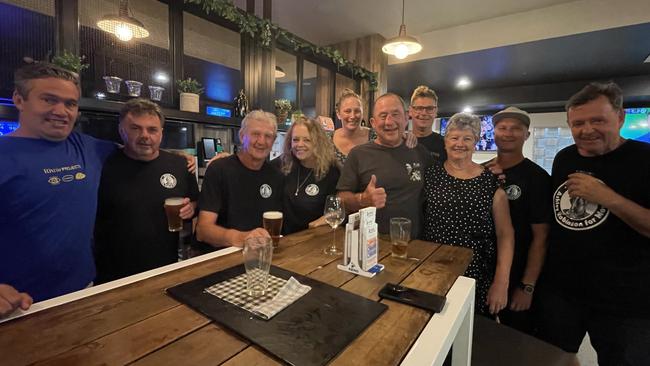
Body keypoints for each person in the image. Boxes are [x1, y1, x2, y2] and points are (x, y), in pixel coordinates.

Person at [536, 82, 650, 365]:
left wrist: (608, 198)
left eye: (597, 120)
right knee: (551, 358)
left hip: (626, 302)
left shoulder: (644, 160)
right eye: (578, 123)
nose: (586, 130)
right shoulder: (564, 158)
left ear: (620, 117)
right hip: (562, 292)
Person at [0, 63, 116, 316]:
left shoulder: (89, 147)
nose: (61, 111)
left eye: (70, 104)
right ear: (19, 100)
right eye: (48, 100)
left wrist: (182, 159)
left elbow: (141, 152)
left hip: (85, 290)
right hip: (17, 306)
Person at [93, 99, 198, 284]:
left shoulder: (179, 164)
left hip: (166, 266)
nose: (144, 135)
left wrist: (191, 209)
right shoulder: (102, 164)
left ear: (161, 133)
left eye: (152, 129)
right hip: (113, 275)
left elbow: (195, 202)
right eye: (135, 128)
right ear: (121, 131)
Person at [422, 112, 514, 316]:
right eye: (454, 137)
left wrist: (501, 282)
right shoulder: (431, 174)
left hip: (476, 273)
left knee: (471, 334)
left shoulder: (490, 182)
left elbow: (505, 235)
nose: (459, 144)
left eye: (467, 138)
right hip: (432, 269)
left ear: (476, 142)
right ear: (445, 142)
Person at [484, 106, 551, 334]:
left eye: (516, 128)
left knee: (517, 339)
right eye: (502, 128)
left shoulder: (538, 178)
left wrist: (527, 286)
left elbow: (541, 237)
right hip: (483, 270)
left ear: (527, 135)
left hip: (517, 275)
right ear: (493, 133)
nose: (508, 133)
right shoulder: (483, 172)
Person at [337, 93, 434, 237]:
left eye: (395, 114)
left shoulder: (419, 151)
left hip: (415, 244)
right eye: (383, 116)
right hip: (370, 244)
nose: (389, 121)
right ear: (373, 122)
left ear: (407, 117)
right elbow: (341, 198)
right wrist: (363, 199)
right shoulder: (358, 154)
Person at [196, 110, 283, 247]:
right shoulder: (219, 169)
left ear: (274, 141)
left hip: (262, 256)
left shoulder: (276, 176)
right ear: (242, 136)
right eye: (255, 134)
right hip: (223, 257)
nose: (261, 141)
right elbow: (203, 230)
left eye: (268, 136)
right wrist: (242, 238)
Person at [273, 116, 340, 234]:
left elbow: (339, 209)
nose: (300, 144)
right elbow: (258, 168)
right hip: (284, 240)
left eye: (307, 140)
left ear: (318, 142)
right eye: (295, 139)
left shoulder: (332, 171)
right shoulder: (283, 163)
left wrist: (325, 219)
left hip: (313, 240)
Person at [331, 89, 376, 166]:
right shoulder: (328, 140)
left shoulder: (376, 136)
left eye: (357, 111)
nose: (352, 116)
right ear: (338, 114)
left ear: (362, 113)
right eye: (347, 111)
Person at [408, 85, 446, 161]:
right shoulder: (400, 142)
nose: (424, 113)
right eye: (419, 108)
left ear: (436, 111)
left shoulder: (445, 144)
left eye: (430, 108)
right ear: (410, 111)